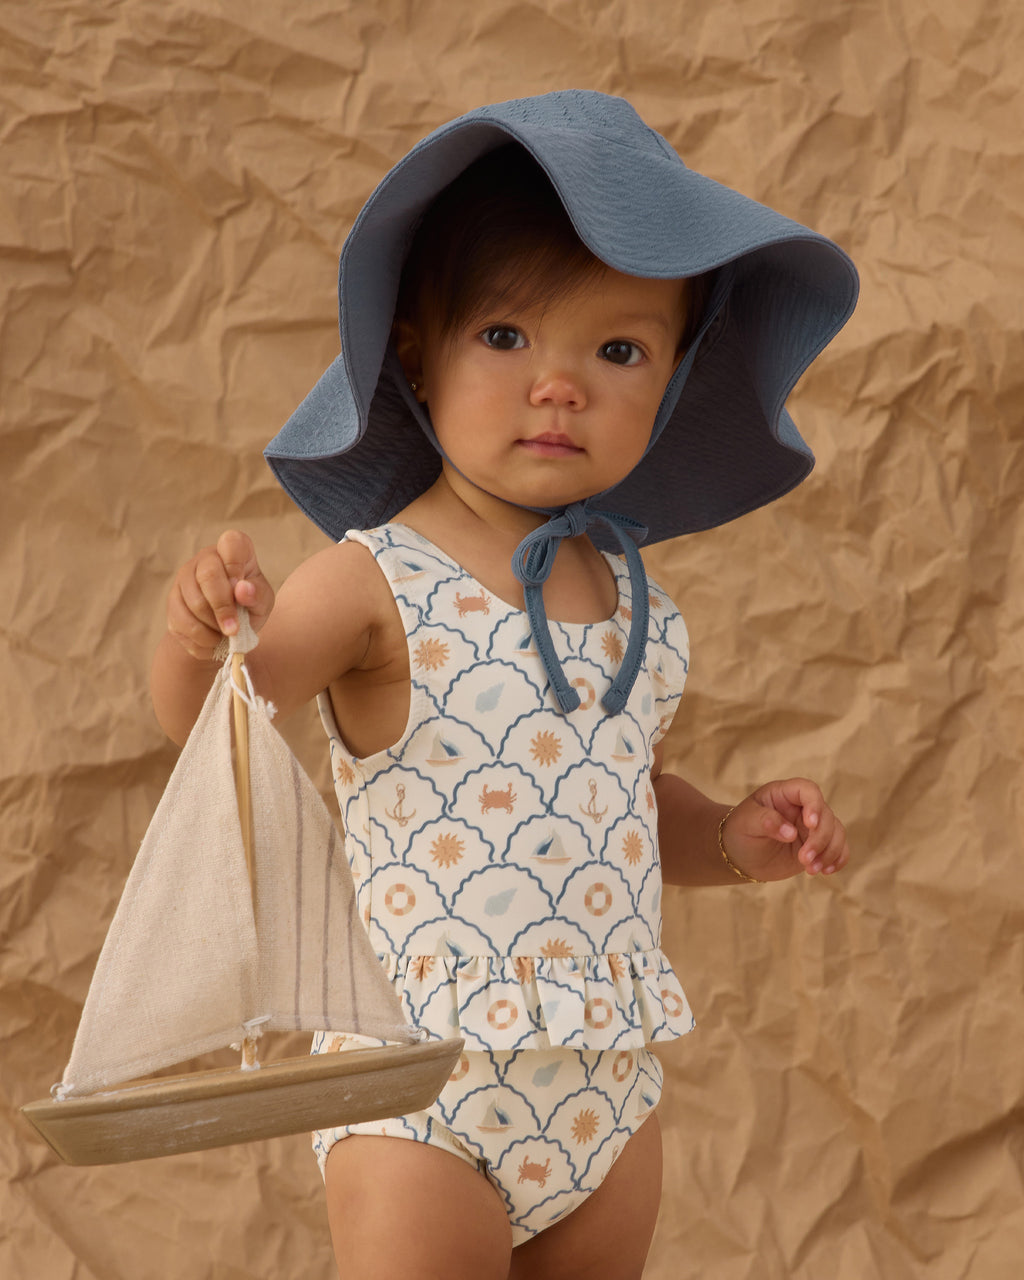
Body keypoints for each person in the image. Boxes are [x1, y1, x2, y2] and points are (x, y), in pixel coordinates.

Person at [151, 91, 857, 1280]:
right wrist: (195, 641)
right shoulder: (376, 579)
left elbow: (631, 805)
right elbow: (216, 728)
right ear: (417, 356)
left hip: (606, 1086)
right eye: (505, 336)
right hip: (420, 1085)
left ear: (674, 380)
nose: (559, 385)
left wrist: (732, 836)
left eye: (618, 351)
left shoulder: (637, 612)